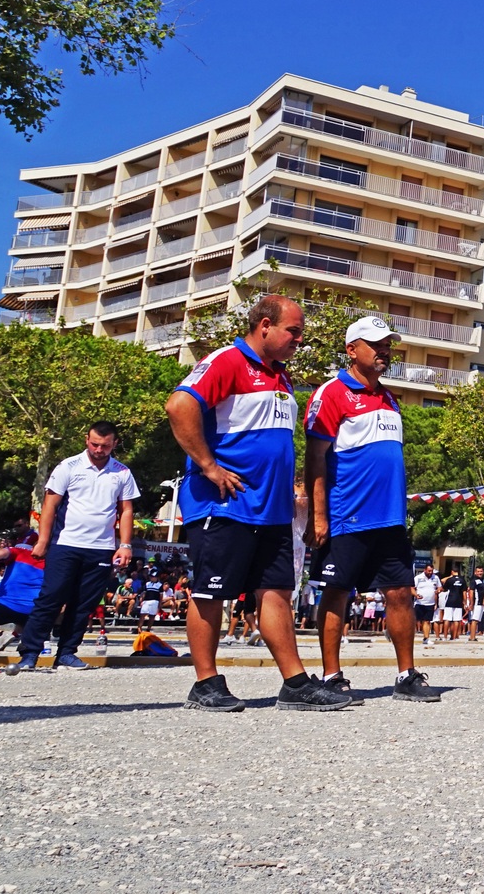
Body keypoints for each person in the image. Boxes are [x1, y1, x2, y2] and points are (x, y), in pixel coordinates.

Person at [164, 295, 348, 711]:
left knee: (276, 593)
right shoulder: (228, 361)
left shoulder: (281, 377)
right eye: (293, 332)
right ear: (264, 325)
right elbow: (179, 406)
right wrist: (209, 467)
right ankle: (206, 683)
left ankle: (295, 683)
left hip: (271, 509)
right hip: (224, 504)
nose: (298, 341)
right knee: (211, 593)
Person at [304, 316, 439, 702]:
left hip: (390, 518)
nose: (384, 351)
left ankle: (406, 675)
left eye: (387, 345)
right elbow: (315, 459)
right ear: (352, 349)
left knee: (400, 593)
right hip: (348, 513)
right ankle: (331, 676)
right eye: (376, 344)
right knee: (337, 592)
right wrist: (318, 515)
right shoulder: (331, 393)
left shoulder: (389, 397)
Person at [15, 422, 140, 671]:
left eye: (105, 445)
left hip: (101, 548)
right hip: (66, 544)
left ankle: (67, 653)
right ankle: (29, 653)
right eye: (94, 443)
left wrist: (124, 545)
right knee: (50, 599)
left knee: (84, 603)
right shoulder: (68, 466)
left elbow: (126, 510)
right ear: (86, 439)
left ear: (114, 444)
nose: (98, 449)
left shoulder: (122, 472)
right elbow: (49, 505)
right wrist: (42, 540)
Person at [0, 531, 46, 652]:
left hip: (5, 605)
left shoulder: (20, 552)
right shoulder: (53, 564)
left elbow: (4, 552)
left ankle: (0, 634)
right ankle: (22, 641)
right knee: (24, 623)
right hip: (32, 611)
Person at [413, 564, 439, 646]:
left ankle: (426, 638)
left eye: (431, 571)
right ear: (424, 570)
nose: (430, 572)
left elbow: (440, 587)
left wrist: (438, 590)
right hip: (419, 603)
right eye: (429, 571)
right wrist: (416, 595)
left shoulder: (436, 578)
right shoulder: (418, 578)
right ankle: (409, 637)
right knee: (414, 621)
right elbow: (411, 588)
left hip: (430, 603)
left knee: (427, 621)